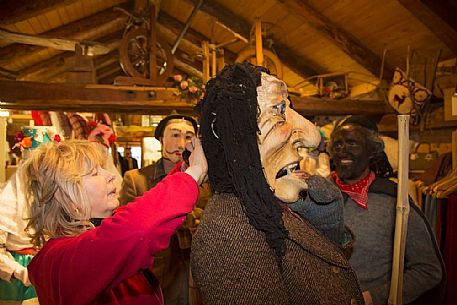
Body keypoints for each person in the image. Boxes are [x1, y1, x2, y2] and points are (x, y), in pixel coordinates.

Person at [191, 62, 364, 305]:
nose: (311, 136)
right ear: (236, 135)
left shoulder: (265, 203)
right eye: (279, 110)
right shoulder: (228, 234)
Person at [22, 139, 207, 305]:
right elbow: (137, 228)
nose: (110, 175)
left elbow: (145, 209)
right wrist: (193, 173)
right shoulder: (55, 260)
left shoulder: (98, 230)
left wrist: (185, 168)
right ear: (64, 196)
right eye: (94, 173)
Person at [327, 115, 445, 305]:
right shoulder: (318, 193)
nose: (343, 151)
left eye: (352, 144)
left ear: (371, 151)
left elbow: (428, 270)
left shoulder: (394, 202)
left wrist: (373, 297)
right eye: (338, 145)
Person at [120, 115, 209, 305]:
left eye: (188, 137)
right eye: (175, 135)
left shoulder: (206, 180)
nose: (181, 143)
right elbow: (126, 230)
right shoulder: (136, 179)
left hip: (197, 270)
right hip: (158, 273)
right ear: (161, 139)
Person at [0, 126, 61, 305]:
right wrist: (19, 271)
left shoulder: (57, 196)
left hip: (47, 269)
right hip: (13, 277)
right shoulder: (5, 199)